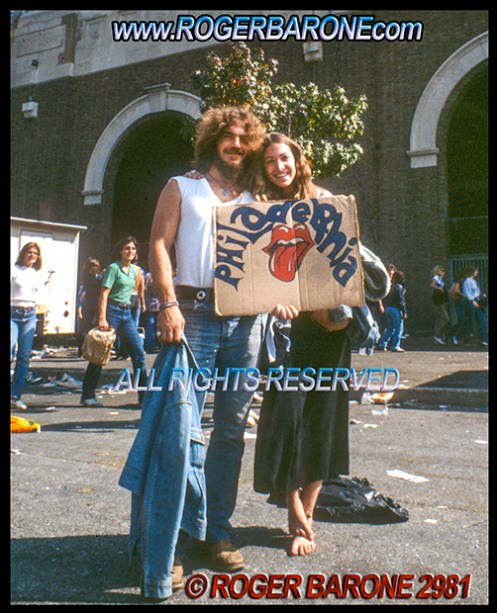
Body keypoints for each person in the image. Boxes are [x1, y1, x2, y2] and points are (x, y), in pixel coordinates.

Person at [148, 106, 267, 576]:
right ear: (213, 140)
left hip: (245, 318)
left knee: (232, 430)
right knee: (181, 429)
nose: (236, 144)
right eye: (228, 136)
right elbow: (158, 243)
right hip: (191, 313)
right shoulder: (184, 186)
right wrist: (167, 304)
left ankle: (217, 529)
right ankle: (176, 538)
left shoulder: (258, 197)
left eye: (244, 138)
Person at [251, 132, 369, 556]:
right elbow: (257, 271)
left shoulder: (327, 200)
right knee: (286, 415)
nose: (278, 167)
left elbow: (345, 260)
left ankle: (305, 516)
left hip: (329, 329)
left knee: (325, 417)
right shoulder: (262, 208)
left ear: (298, 159)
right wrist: (272, 300)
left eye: (284, 158)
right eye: (269, 162)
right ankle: (292, 504)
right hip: (289, 331)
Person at [80, 236, 148, 407]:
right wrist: (102, 318)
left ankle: (144, 398)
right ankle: (88, 396)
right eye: (127, 248)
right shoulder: (113, 269)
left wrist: (141, 305)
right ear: (120, 251)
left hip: (127, 313)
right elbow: (104, 294)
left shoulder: (134, 271)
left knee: (139, 354)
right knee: (100, 353)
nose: (130, 252)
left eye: (133, 249)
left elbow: (137, 292)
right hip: (112, 311)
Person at [11, 242, 46, 411]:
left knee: (24, 357)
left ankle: (15, 396)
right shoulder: (14, 270)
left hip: (30, 315)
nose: (32, 255)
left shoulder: (37, 274)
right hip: (12, 313)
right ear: (23, 253)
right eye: (29, 252)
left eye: (35, 253)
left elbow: (38, 295)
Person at [76, 257, 102, 357]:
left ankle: (91, 349)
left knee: (92, 327)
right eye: (92, 266)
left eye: (95, 266)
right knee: (85, 327)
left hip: (96, 302)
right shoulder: (88, 278)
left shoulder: (99, 278)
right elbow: (82, 293)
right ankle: (82, 348)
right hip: (89, 303)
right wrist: (80, 308)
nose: (94, 268)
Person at [377, 270, 408, 352]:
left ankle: (382, 344)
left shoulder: (390, 286)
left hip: (388, 308)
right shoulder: (399, 287)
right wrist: (404, 311)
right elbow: (401, 301)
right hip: (396, 309)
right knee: (398, 328)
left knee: (390, 327)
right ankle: (395, 345)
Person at [462, 266, 488, 347]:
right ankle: (471, 338)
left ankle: (483, 339)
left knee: (481, 320)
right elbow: (467, 293)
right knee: (472, 321)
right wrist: (472, 301)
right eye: (476, 271)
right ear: (472, 272)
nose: (477, 273)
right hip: (472, 302)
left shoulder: (474, 281)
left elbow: (476, 292)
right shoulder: (467, 281)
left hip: (477, 300)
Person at [430, 265, 450, 345]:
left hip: (440, 299)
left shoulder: (441, 279)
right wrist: (439, 289)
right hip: (437, 300)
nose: (444, 273)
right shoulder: (436, 277)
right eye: (442, 271)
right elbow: (432, 285)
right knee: (445, 318)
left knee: (439, 319)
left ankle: (437, 336)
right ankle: (437, 335)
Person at [143, 271, 160, 353]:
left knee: (150, 326)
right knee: (160, 326)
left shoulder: (148, 277)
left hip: (150, 305)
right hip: (160, 305)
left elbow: (144, 290)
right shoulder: (163, 276)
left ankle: (150, 347)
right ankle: (161, 345)